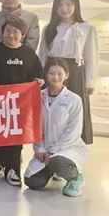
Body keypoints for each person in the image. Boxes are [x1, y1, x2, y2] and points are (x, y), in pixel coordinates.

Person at [0, 17, 44, 186]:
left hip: (20, 103)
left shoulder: (28, 53)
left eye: (16, 32)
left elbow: (37, 74)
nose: (11, 35)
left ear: (23, 34)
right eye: (7, 31)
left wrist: (38, 81)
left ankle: (12, 170)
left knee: (16, 135)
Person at [38, 0, 97, 144]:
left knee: (75, 106)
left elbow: (91, 56)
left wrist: (90, 81)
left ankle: (75, 142)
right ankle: (50, 140)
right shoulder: (49, 28)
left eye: (68, 5)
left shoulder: (87, 28)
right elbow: (42, 53)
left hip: (74, 70)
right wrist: (41, 76)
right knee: (51, 106)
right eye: (60, 5)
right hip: (52, 69)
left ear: (76, 6)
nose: (64, 9)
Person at [25, 58, 88, 197]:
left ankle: (75, 177)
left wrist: (53, 152)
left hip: (68, 148)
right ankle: (52, 170)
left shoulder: (74, 100)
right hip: (45, 149)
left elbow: (73, 131)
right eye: (51, 73)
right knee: (32, 181)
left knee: (58, 162)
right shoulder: (38, 96)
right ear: (46, 75)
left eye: (60, 74)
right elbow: (34, 127)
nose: (56, 77)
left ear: (67, 75)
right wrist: (40, 150)